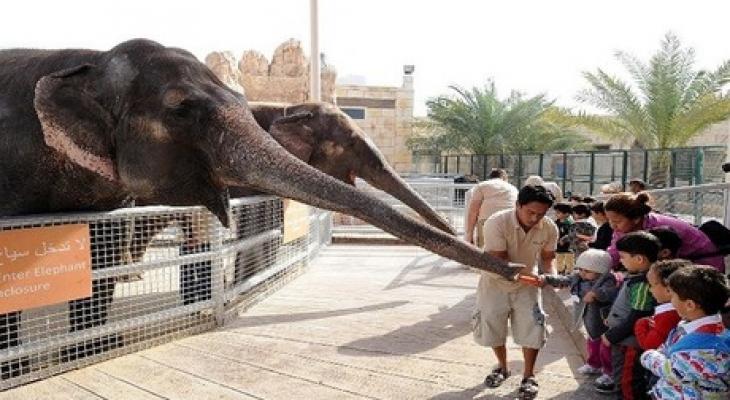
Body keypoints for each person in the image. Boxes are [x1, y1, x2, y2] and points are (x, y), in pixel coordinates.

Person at [473, 184, 557, 399]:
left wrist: (550, 277)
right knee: (493, 326)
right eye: (530, 212)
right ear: (518, 205)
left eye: (541, 214)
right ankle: (502, 367)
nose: (535, 218)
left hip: (527, 284)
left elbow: (548, 258)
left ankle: (528, 376)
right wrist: (532, 277)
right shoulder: (496, 222)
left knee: (533, 328)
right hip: (494, 282)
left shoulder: (549, 228)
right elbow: (499, 260)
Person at [640, 265, 730, 399]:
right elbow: (667, 347)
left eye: (673, 296)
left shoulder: (704, 347)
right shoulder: (703, 328)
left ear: (690, 305)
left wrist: (648, 356)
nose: (671, 300)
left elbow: (671, 370)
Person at [541, 249, 619, 388]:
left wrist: (595, 293)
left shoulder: (607, 280)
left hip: (602, 319)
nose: (582, 273)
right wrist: (547, 278)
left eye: (587, 271)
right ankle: (594, 364)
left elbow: (610, 292)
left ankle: (608, 372)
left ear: (601, 270)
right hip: (588, 318)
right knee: (592, 342)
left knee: (605, 346)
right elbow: (565, 280)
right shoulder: (578, 277)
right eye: (581, 269)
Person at [600, 231, 660, 397]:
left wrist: (612, 335)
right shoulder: (636, 278)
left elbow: (638, 315)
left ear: (639, 259)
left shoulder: (641, 284)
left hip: (629, 343)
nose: (620, 260)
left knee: (627, 382)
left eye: (623, 257)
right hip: (623, 339)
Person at [604, 192, 724, 271]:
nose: (612, 225)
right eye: (609, 220)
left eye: (617, 221)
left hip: (703, 267)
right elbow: (615, 252)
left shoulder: (660, 230)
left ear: (636, 219)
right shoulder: (625, 227)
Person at [634, 259, 688, 351]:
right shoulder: (681, 310)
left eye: (652, 285)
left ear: (668, 290)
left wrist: (641, 324)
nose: (650, 290)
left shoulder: (668, 316)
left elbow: (649, 345)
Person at [464, 168, 518, 249]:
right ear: (504, 178)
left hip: (487, 221)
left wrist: (469, 234)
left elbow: (473, 211)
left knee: (484, 253)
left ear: (490, 177)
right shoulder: (513, 188)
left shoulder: (482, 186)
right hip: (509, 221)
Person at [553, 202, 574, 275]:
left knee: (569, 262)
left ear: (567, 214)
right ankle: (559, 273)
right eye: (556, 212)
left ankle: (569, 274)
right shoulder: (555, 223)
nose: (556, 214)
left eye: (558, 213)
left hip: (568, 247)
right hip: (558, 247)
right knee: (559, 261)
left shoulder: (570, 224)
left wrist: (565, 239)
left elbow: (572, 235)